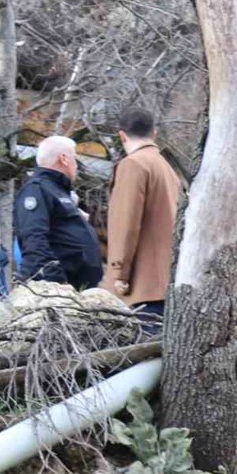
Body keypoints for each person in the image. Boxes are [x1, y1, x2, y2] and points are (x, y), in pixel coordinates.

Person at [101, 108, 181, 321]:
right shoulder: (168, 168)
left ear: (122, 136)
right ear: (154, 134)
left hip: (142, 287)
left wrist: (119, 273)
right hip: (169, 282)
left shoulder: (133, 165)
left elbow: (126, 224)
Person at [15, 135, 103, 289]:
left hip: (78, 287)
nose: (76, 165)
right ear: (64, 158)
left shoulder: (58, 191)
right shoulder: (37, 189)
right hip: (56, 289)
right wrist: (55, 281)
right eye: (75, 159)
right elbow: (34, 239)